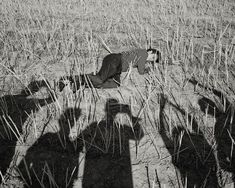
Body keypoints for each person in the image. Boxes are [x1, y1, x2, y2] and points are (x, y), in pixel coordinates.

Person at [58, 48, 161, 91]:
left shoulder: (141, 56)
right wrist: (149, 70)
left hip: (117, 67)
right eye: (152, 58)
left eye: (152, 60)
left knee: (115, 84)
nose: (150, 60)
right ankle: (67, 78)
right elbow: (141, 71)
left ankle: (82, 83)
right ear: (150, 51)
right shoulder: (144, 53)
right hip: (115, 61)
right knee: (99, 79)